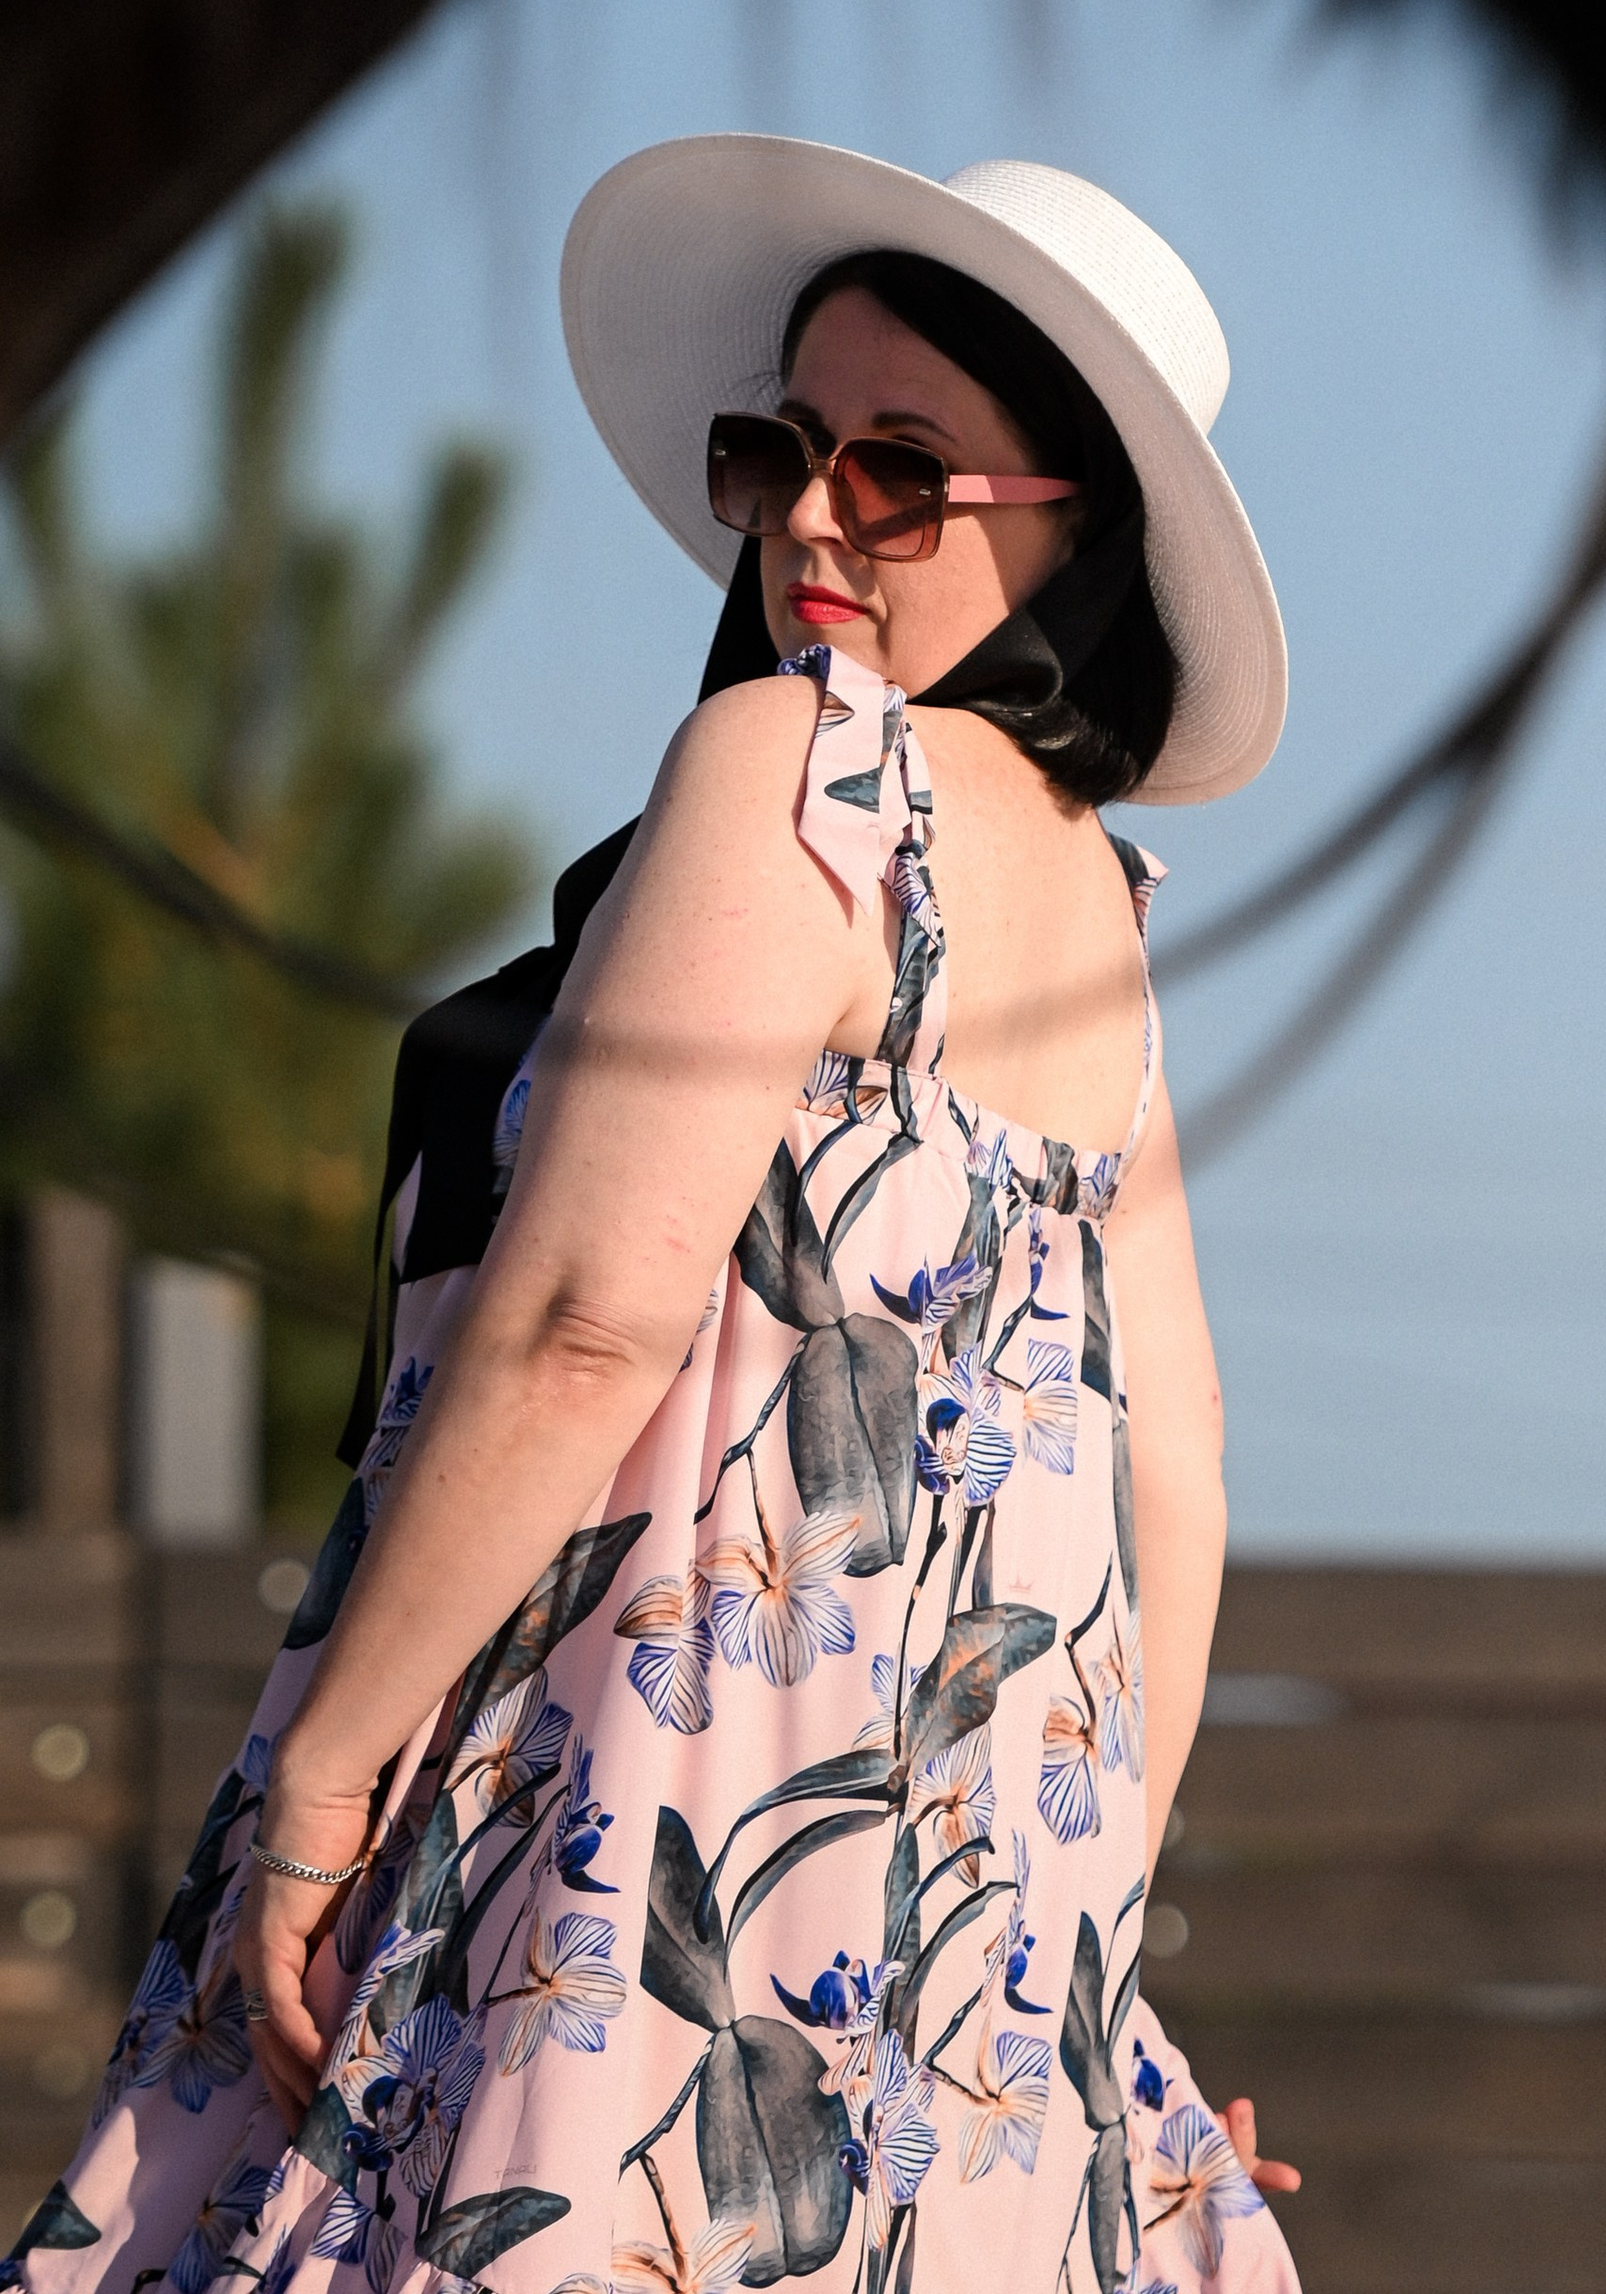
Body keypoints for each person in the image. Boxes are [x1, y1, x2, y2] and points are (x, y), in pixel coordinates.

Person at [21, 144, 1302, 2294]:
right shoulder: (1096, 909)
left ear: (1071, 532)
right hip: (900, 2001)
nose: (811, 513)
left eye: (900, 471)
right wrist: (1063, 1989)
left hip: (621, 1868)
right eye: (779, 448)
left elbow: (583, 1330)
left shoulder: (797, 767)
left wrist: (329, 1784)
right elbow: (1178, 1473)